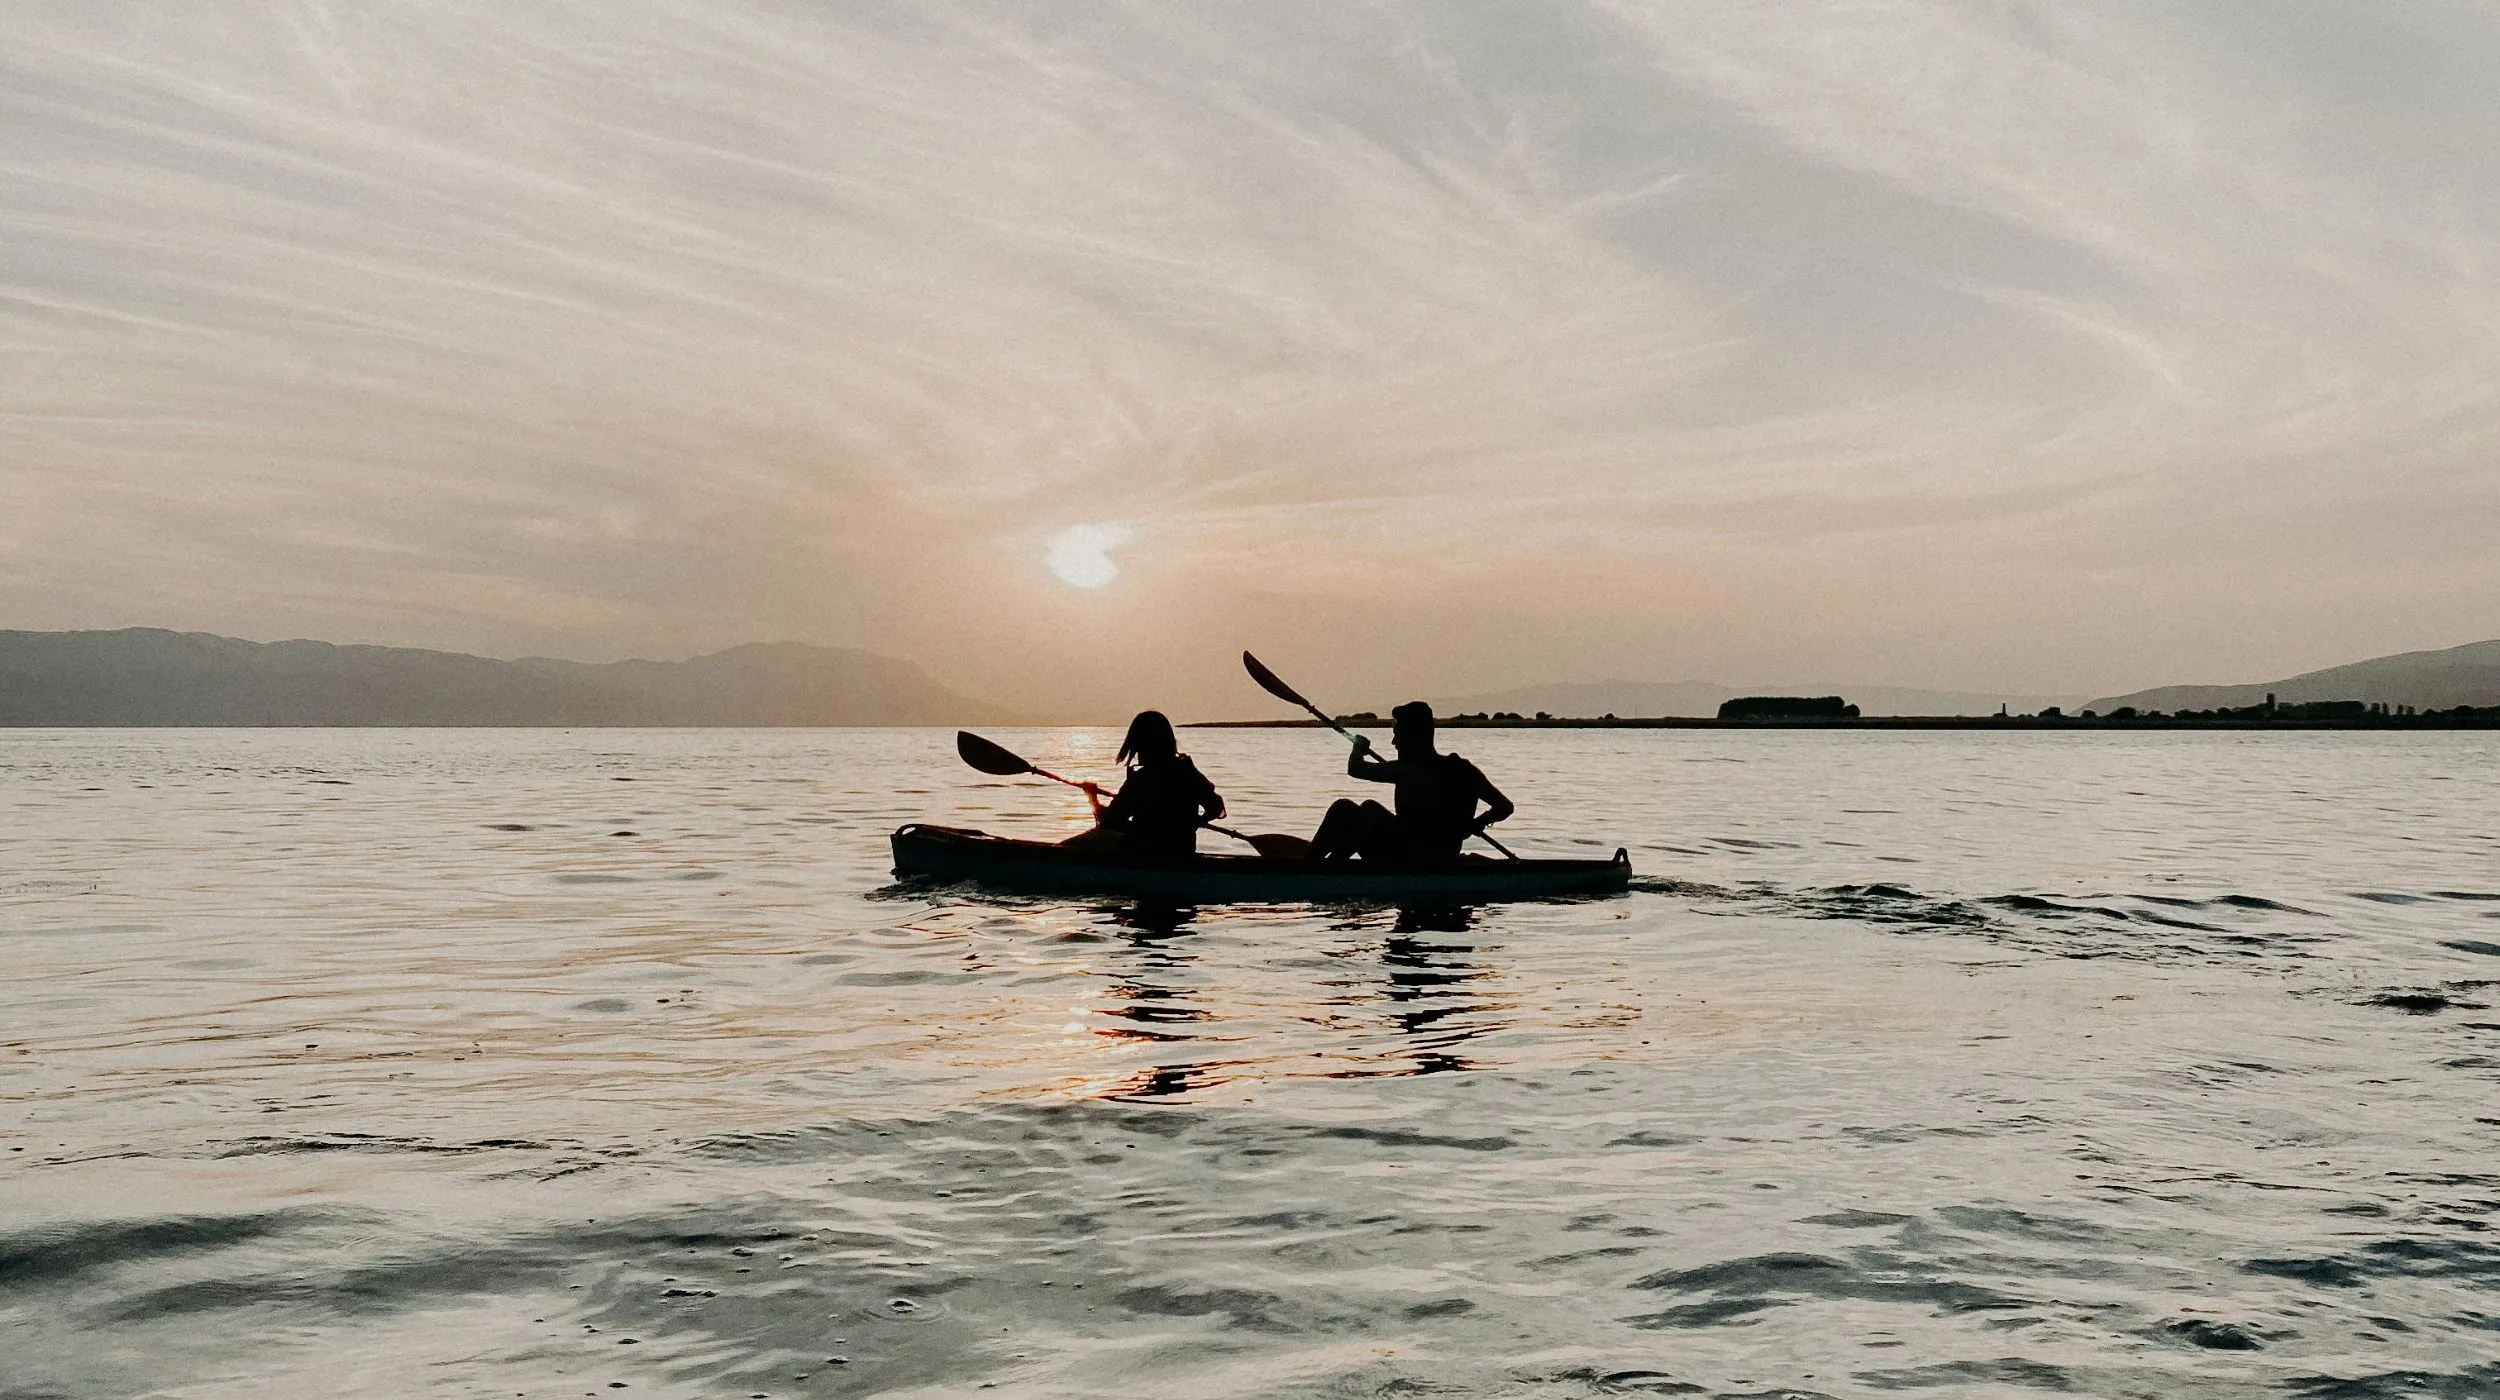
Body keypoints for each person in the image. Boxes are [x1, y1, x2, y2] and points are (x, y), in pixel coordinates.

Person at [1309, 700, 1512, 864]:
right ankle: (1333, 865)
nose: (1394, 743)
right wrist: (1477, 823)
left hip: (1408, 857)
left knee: (1344, 808)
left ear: (1414, 737)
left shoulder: (1409, 769)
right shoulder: (1465, 769)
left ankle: (1310, 867)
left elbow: (1355, 769)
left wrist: (1357, 748)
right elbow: (1504, 807)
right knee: (1370, 807)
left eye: (1398, 736)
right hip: (1443, 855)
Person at [1067, 710, 1225, 860]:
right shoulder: (1188, 771)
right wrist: (1193, 823)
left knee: (1092, 838)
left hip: (1144, 851)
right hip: (1182, 850)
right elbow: (1216, 807)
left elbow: (1110, 822)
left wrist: (1092, 797)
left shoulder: (1141, 779)